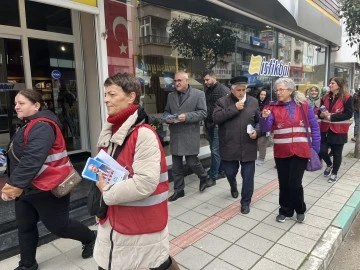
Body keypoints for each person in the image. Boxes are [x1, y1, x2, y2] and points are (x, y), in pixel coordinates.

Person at [1, 89, 96, 270]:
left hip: (48, 188)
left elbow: (32, 159)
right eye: (15, 103)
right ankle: (27, 265)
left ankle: (91, 238)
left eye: (21, 103)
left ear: (36, 106)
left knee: (60, 226)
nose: (16, 107)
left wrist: (11, 187)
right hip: (27, 189)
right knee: (25, 227)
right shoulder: (27, 124)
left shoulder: (42, 126)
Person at [93, 72, 178, 270]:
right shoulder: (112, 130)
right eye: (105, 94)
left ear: (131, 96)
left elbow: (145, 183)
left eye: (112, 94)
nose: (106, 99)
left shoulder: (144, 134)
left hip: (138, 226)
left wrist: (106, 192)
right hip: (114, 220)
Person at [260, 78, 320, 223]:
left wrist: (316, 148)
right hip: (282, 152)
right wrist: (264, 118)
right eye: (277, 90)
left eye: (281, 89)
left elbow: (314, 126)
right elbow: (265, 128)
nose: (278, 92)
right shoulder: (272, 107)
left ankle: (300, 209)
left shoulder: (304, 106)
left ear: (291, 90)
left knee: (295, 183)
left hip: (301, 150)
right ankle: (285, 210)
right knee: (284, 182)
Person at [213, 76, 260, 214]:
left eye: (243, 90)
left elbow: (260, 122)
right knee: (230, 172)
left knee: (248, 177)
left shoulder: (253, 102)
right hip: (229, 146)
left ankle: (245, 202)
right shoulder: (222, 102)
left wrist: (257, 132)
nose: (241, 93)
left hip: (248, 146)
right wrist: (234, 108)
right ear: (232, 90)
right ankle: (233, 185)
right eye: (238, 90)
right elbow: (216, 118)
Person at [164, 71, 208, 201]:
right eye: (175, 81)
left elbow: (203, 113)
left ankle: (203, 176)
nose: (176, 83)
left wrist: (187, 117)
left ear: (186, 81)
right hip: (176, 134)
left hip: (189, 134)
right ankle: (179, 190)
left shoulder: (198, 94)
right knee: (176, 166)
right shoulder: (171, 96)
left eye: (179, 81)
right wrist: (167, 118)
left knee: (192, 162)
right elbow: (167, 111)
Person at [318, 77, 353, 183]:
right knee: (321, 151)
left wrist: (331, 117)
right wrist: (321, 115)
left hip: (339, 131)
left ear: (339, 85)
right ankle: (329, 164)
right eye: (329, 83)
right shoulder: (325, 97)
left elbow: (348, 114)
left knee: (337, 154)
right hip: (325, 129)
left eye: (332, 83)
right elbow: (319, 112)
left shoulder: (347, 97)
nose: (330, 85)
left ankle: (334, 173)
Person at [203, 70, 230, 184]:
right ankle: (221, 170)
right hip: (209, 123)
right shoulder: (207, 90)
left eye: (207, 79)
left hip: (218, 125)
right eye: (204, 80)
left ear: (214, 78)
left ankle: (213, 176)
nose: (205, 82)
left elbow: (229, 108)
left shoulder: (223, 90)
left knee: (215, 150)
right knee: (215, 149)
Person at [256, 88, 270, 166]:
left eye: (264, 95)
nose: (262, 96)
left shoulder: (269, 105)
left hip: (264, 126)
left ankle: (261, 158)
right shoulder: (255, 103)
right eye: (261, 94)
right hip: (255, 125)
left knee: (261, 143)